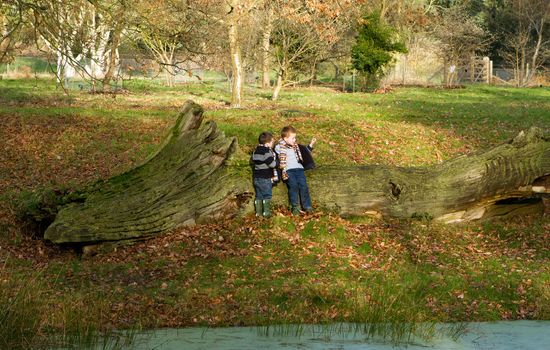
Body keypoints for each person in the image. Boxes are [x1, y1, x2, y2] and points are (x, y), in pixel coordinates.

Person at [275, 126, 316, 215]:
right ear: (285, 138)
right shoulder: (279, 147)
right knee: (293, 187)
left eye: (295, 138)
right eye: (293, 138)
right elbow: (276, 153)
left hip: (299, 169)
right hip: (289, 170)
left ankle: (307, 206)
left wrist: (311, 145)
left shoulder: (296, 146)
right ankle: (295, 207)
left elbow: (305, 152)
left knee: (303, 186)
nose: (295, 140)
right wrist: (282, 144)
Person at [251, 132, 278, 217]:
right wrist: (278, 163)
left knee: (259, 195)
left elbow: (252, 160)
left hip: (256, 177)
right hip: (265, 177)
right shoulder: (266, 151)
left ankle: (258, 213)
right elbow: (272, 164)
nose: (272, 144)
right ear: (267, 143)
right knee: (267, 194)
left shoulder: (255, 150)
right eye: (272, 142)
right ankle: (266, 213)